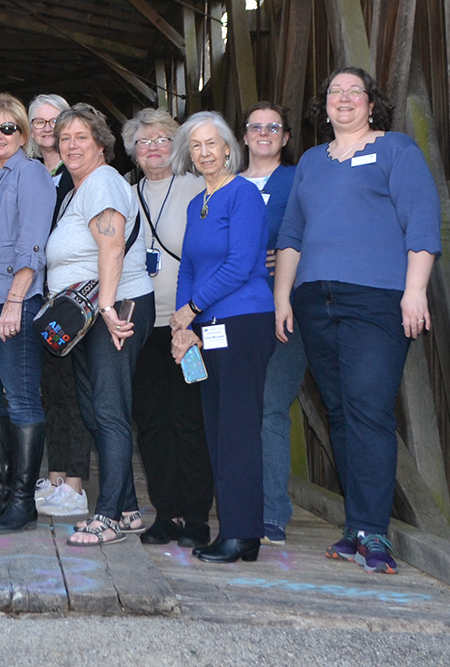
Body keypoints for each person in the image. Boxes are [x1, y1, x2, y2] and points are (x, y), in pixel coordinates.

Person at [275, 67, 440, 575]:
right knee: (342, 413)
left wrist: (415, 290)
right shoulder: (309, 161)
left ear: (372, 104)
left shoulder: (395, 151)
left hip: (377, 298)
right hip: (314, 301)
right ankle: (356, 526)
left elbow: (423, 219)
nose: (343, 99)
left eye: (355, 92)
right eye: (334, 92)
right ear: (323, 105)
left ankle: (374, 531)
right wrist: (283, 298)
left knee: (368, 410)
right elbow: (291, 234)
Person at [168, 111, 274, 564]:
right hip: (207, 327)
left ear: (229, 147)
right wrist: (182, 324)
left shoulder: (244, 195)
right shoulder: (198, 203)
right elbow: (189, 265)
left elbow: (239, 264)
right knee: (216, 429)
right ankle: (237, 531)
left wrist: (192, 309)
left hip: (243, 320)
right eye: (196, 146)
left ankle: (240, 532)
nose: (205, 152)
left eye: (212, 143)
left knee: (236, 430)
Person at [45, 103, 151, 546]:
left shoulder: (103, 182)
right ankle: (126, 508)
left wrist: (107, 308)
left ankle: (106, 515)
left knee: (108, 412)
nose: (71, 145)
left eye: (80, 137)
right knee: (97, 410)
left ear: (101, 143)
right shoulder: (78, 188)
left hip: (114, 308)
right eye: (63, 138)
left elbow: (111, 249)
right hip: (91, 316)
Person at [123, 110, 212, 548]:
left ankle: (196, 516)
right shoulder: (126, 193)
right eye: (144, 141)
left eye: (162, 139)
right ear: (133, 152)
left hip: (187, 326)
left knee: (190, 421)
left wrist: (192, 317)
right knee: (152, 424)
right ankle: (167, 512)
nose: (153, 147)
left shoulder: (198, 188)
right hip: (141, 325)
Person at [0, 95, 53, 532]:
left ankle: (24, 500)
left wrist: (17, 301)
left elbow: (33, 242)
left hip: (14, 299)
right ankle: (0, 493)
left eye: (8, 128)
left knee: (20, 396)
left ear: (23, 135)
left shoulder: (32, 174)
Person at [27, 93, 91, 517]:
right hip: (42, 299)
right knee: (50, 390)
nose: (47, 128)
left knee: (75, 391)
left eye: (56, 121)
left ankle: (75, 483)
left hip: (73, 300)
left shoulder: (81, 175)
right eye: (38, 121)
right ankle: (54, 477)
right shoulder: (31, 171)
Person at [242, 102, 300, 544]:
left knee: (271, 406)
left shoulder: (299, 180)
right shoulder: (226, 186)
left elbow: (316, 234)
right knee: (233, 409)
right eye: (256, 127)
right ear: (244, 137)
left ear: (284, 138)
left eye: (273, 127)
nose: (264, 133)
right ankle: (237, 502)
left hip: (284, 310)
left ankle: (273, 513)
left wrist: (287, 259)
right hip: (232, 310)